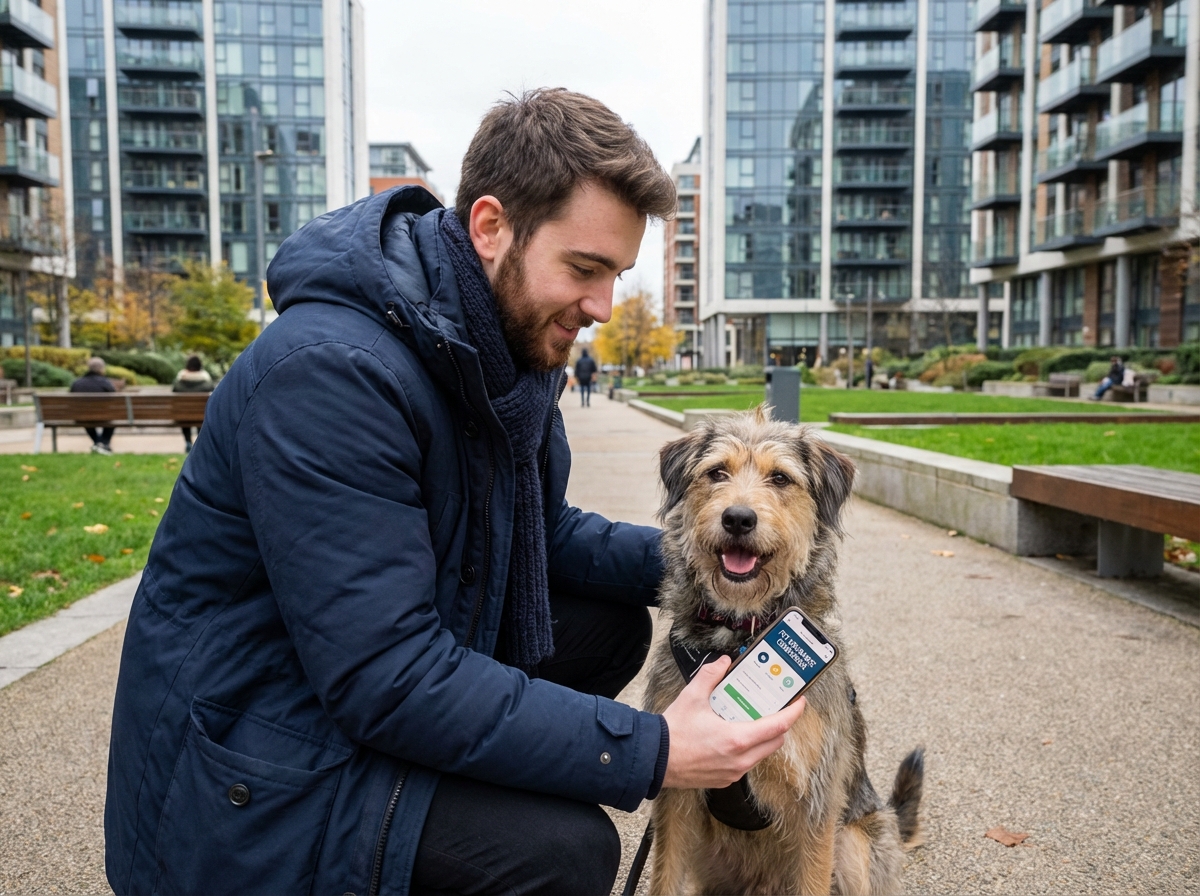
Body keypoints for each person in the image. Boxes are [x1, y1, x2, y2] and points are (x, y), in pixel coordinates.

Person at [104, 89, 807, 896]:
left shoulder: (497, 348)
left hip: (341, 696)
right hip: (249, 766)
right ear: (490, 227)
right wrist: (647, 750)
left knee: (608, 626)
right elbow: (388, 672)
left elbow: (543, 537)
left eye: (615, 275)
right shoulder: (332, 376)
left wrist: (724, 552)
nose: (603, 308)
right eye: (584, 269)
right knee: (565, 851)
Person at [70, 357, 115, 454]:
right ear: (102, 369)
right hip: (104, 416)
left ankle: (98, 443)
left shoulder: (77, 383)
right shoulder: (105, 383)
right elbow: (114, 398)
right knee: (112, 419)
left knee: (86, 417)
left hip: (81, 416)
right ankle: (103, 444)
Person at [170, 355, 214, 452]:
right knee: (201, 414)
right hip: (201, 416)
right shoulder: (207, 384)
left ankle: (188, 442)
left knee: (184, 414)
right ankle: (199, 441)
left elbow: (173, 392)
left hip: (182, 416)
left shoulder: (179, 384)